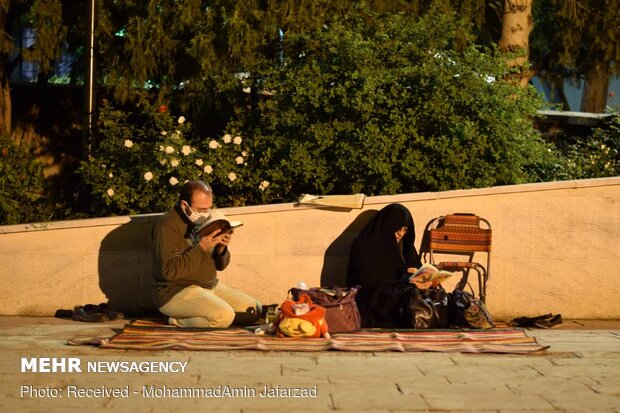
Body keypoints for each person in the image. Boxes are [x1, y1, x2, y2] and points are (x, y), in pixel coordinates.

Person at [152, 180, 261, 328]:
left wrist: (222, 248)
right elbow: (167, 272)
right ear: (185, 205)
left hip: (210, 287)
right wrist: (202, 247)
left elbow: (220, 266)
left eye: (208, 209)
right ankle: (176, 321)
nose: (205, 214)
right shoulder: (167, 225)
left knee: (254, 310)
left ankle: (211, 316)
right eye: (201, 209)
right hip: (176, 291)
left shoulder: (206, 220)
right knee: (224, 316)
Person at [346, 203, 423, 326]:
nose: (401, 234)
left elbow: (414, 268)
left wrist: (424, 278)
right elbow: (370, 284)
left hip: (396, 294)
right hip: (371, 299)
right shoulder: (364, 246)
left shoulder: (403, 246)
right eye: (398, 228)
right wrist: (406, 281)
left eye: (405, 229)